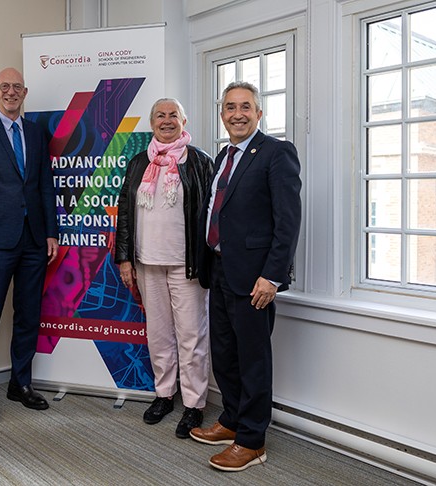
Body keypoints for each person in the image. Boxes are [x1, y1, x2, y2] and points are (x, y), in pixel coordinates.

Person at [189, 81, 302, 471]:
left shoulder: (276, 153)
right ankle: (232, 420)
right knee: (225, 353)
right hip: (220, 270)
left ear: (259, 112)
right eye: (230, 107)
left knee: (253, 359)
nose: (237, 113)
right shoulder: (223, 156)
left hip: (254, 277)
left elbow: (288, 221)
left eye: (245, 107)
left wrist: (272, 276)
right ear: (222, 114)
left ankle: (252, 441)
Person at [0, 67, 59, 422]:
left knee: (28, 315)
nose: (11, 92)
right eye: (5, 86)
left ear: (25, 91)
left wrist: (51, 232)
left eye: (17, 87)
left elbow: (44, 186)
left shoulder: (35, 132)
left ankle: (21, 383)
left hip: (34, 239)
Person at [115, 98, 214, 438]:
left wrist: (209, 260)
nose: (167, 120)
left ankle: (194, 404)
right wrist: (125, 258)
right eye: (161, 115)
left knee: (191, 336)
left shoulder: (200, 162)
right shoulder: (139, 162)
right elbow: (125, 213)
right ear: (152, 122)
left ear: (184, 121)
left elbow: (213, 218)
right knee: (158, 335)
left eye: (174, 115)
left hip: (187, 265)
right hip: (146, 262)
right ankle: (164, 395)